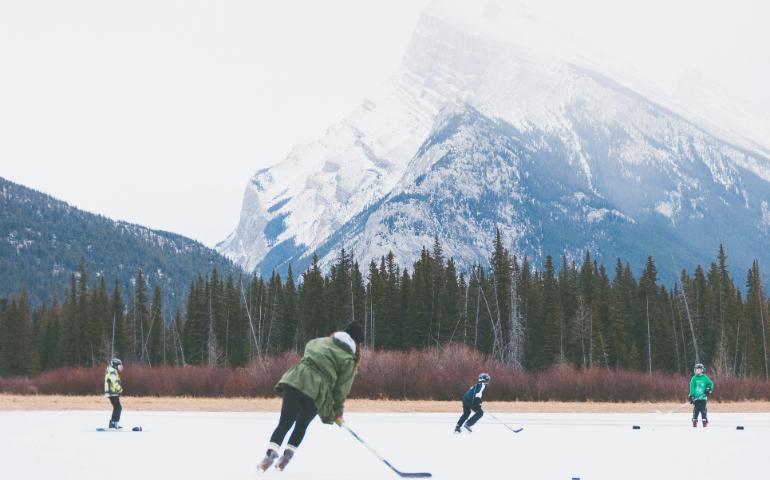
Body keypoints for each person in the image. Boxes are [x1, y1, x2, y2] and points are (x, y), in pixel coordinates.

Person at [257, 321, 364, 472]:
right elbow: (341, 390)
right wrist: (337, 414)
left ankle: (268, 457)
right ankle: (285, 458)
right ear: (357, 344)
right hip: (317, 392)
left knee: (284, 423)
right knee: (301, 425)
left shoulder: (320, 341)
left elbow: (308, 348)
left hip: (296, 380)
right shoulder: (348, 360)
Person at [688, 363, 714, 427]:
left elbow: (711, 384)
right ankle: (694, 420)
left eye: (698, 369)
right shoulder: (694, 378)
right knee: (696, 409)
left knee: (703, 409)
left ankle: (704, 420)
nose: (697, 371)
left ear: (702, 370)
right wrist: (692, 396)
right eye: (696, 369)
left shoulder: (705, 378)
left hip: (703, 398)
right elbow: (692, 387)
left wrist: (708, 389)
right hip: (696, 398)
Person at [104, 358, 123, 429]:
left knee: (116, 407)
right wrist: (119, 389)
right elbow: (114, 382)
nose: (120, 368)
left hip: (112, 392)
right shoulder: (112, 372)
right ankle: (114, 423)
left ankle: (113, 423)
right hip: (112, 392)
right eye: (119, 366)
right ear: (115, 366)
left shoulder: (112, 370)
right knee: (118, 407)